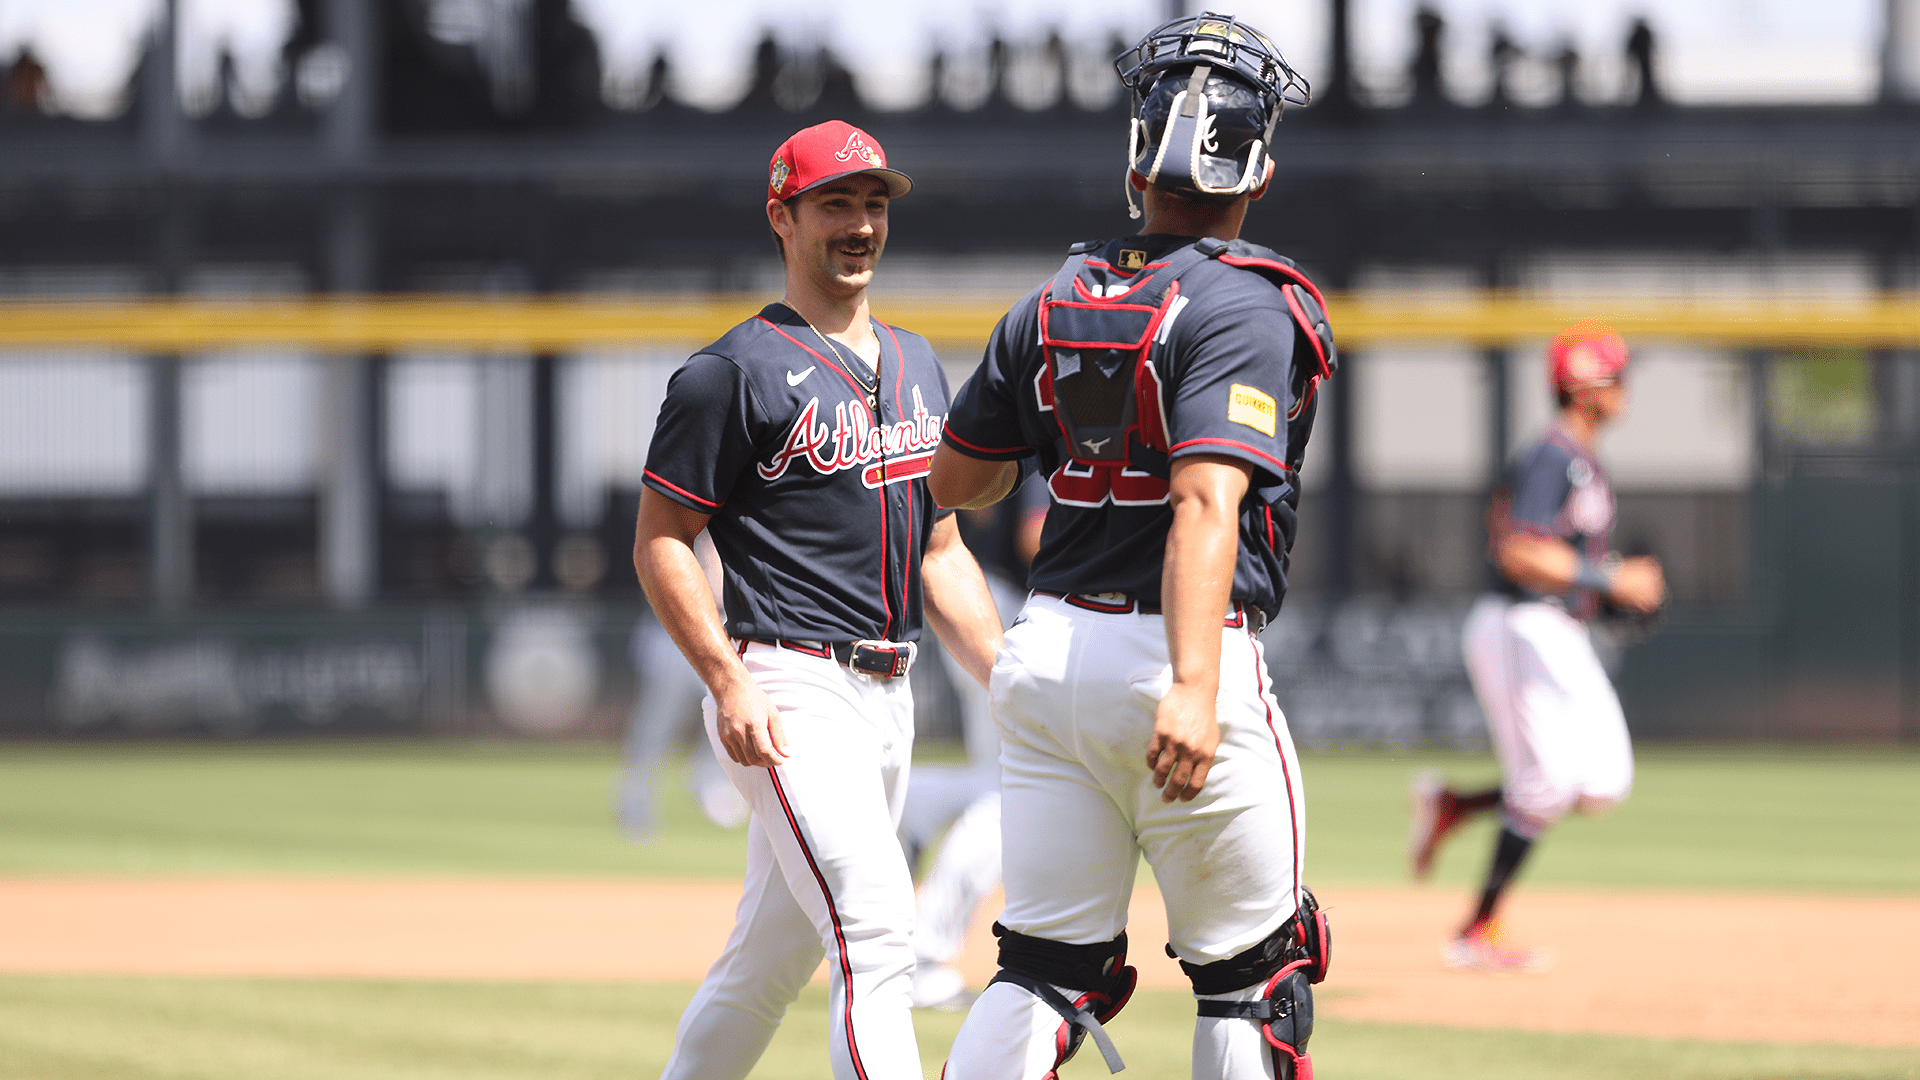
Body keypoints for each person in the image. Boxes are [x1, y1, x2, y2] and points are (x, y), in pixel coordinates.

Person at [927, 14, 1336, 1078]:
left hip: (1051, 651)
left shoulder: (1052, 302)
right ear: (1259, 170)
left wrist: (1068, 430)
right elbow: (1206, 503)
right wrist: (1195, 686)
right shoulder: (1245, 303)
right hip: (1176, 659)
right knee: (1258, 977)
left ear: (1136, 159)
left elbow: (958, 481)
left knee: (1044, 969)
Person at [633, 119, 1003, 1080]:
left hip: (893, 692)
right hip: (787, 688)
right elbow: (661, 543)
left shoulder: (918, 364)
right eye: (836, 202)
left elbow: (941, 550)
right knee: (879, 928)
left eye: (875, 203)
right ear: (781, 216)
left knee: (771, 958)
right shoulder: (731, 371)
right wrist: (726, 681)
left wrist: (1007, 677)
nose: (861, 223)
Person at [1407, 321, 1666, 972]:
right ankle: (1476, 932)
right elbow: (1518, 551)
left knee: (1604, 781)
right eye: (1617, 376)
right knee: (1547, 782)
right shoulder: (1550, 455)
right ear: (1586, 388)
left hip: (1559, 628)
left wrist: (1610, 592)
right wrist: (1611, 579)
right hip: (1521, 622)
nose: (1626, 387)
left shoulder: (1579, 456)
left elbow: (1559, 555)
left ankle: (1456, 804)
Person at [900, 475, 1047, 1010]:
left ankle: (907, 805)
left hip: (985, 597)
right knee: (1018, 797)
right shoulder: (1066, 408)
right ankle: (923, 958)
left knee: (1001, 781)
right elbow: (1036, 534)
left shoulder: (1027, 404)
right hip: (1003, 610)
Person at [616, 531, 749, 839]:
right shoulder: (679, 526)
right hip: (673, 634)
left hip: (722, 632)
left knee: (725, 716)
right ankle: (635, 798)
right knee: (655, 727)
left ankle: (709, 781)